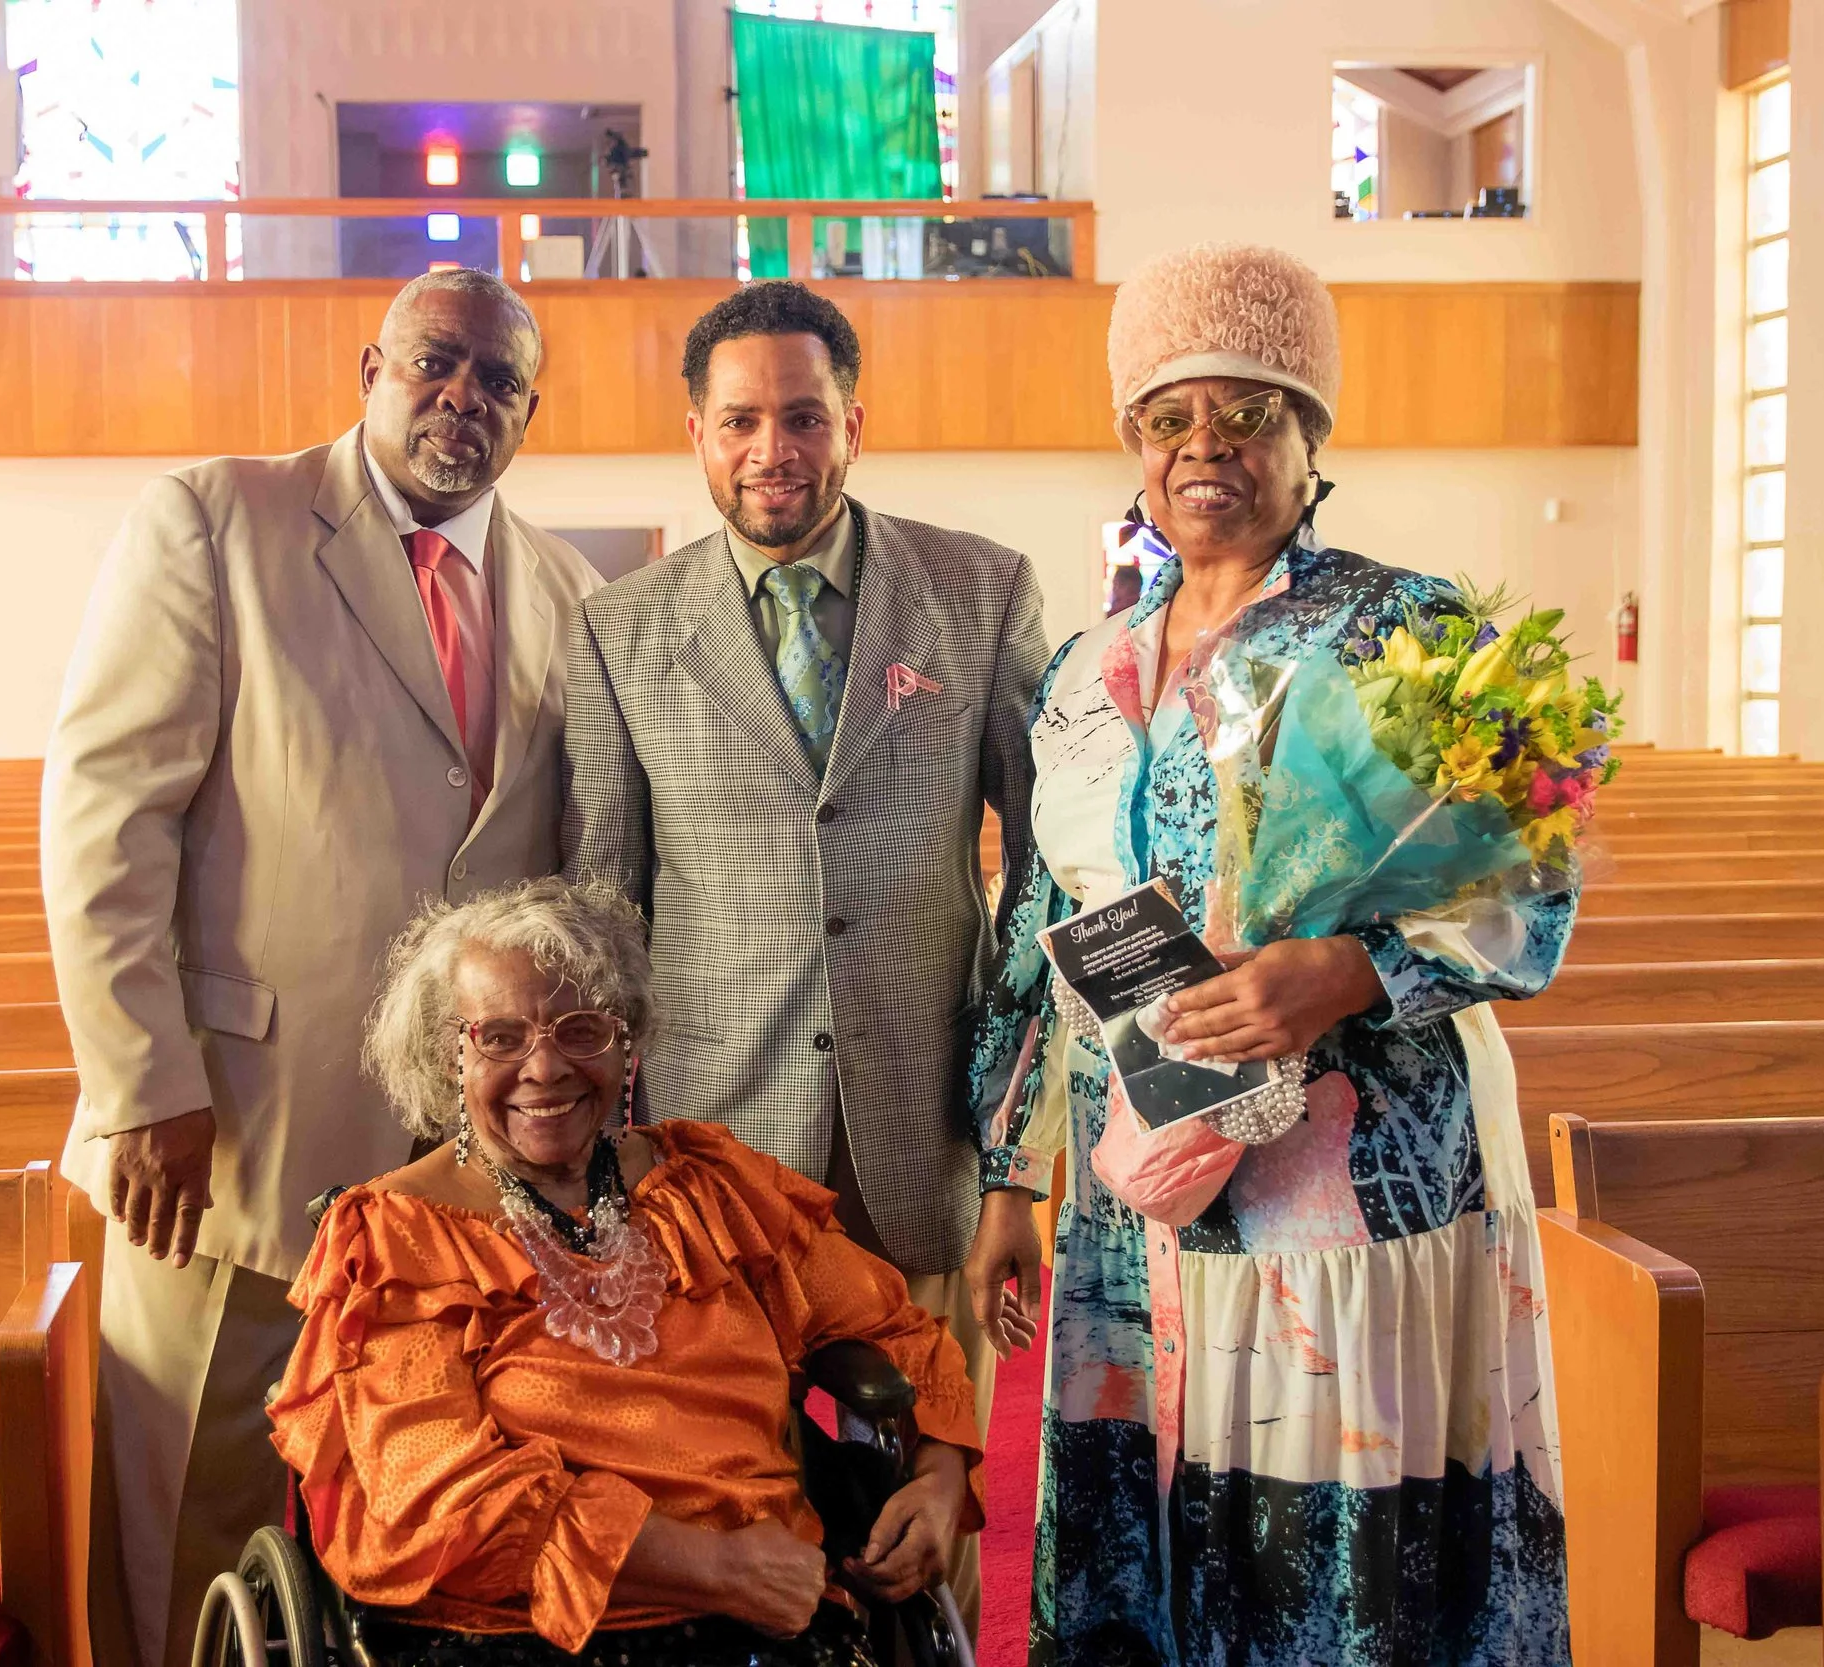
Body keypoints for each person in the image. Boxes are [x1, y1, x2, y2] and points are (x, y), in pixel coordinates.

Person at [962, 244, 1574, 1664]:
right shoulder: (1083, 668)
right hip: (1138, 1183)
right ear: (1134, 450)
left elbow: (1530, 892)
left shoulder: (1408, 631)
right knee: (1151, 1534)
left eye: (1250, 412)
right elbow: (1034, 935)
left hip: (1342, 1189)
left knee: (1325, 1563)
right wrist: (1009, 1172)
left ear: (1311, 436)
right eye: (1170, 418)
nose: (1207, 447)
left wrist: (1356, 971)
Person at [43, 268, 602, 1667]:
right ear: (372, 363)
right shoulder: (219, 522)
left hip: (459, 1164)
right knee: (191, 1508)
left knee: (436, 1508)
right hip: (232, 1131)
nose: (462, 396)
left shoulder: (568, 590)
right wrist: (140, 1083)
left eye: (498, 381)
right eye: (436, 361)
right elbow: (108, 821)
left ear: (531, 413)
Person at [560, 280, 1048, 1633]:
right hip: (717, 1155)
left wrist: (1018, 1146)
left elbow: (1048, 879)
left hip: (923, 1126)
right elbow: (604, 916)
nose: (773, 447)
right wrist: (614, 1174)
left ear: (853, 423)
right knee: (736, 1505)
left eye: (803, 416)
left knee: (928, 1503)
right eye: (742, 421)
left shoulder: (981, 591)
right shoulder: (620, 630)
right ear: (697, 436)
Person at [268, 877, 984, 1667]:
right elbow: (440, 1491)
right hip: (520, 1630)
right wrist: (718, 1569)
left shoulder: (709, 1184)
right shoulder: (397, 1239)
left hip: (767, 1612)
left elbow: (892, 1326)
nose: (545, 1068)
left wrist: (939, 1477)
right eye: (500, 1037)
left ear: (626, 1038)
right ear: (449, 1052)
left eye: (581, 1029)